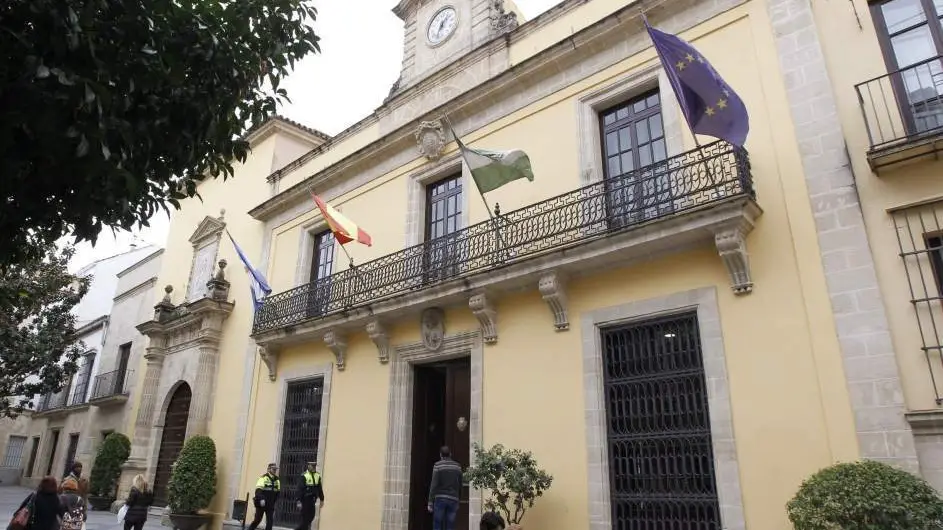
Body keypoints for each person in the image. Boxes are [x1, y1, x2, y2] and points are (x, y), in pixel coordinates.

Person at [427, 446, 463, 530]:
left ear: (440, 455)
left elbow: (434, 484)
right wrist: (459, 499)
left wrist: (430, 502)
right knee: (450, 525)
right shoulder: (457, 466)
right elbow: (460, 484)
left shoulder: (438, 465)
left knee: (437, 523)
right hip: (453, 498)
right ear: (450, 454)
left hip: (440, 498)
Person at [248, 463, 280, 530]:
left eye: (275, 469)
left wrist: (275, 501)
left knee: (270, 521)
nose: (274, 470)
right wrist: (262, 499)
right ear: (268, 469)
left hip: (270, 504)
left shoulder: (277, 480)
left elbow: (278, 492)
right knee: (257, 520)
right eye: (273, 469)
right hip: (262, 503)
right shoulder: (263, 478)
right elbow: (258, 490)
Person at [294, 461, 324, 530]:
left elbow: (319, 488)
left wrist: (322, 499)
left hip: (312, 500)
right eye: (311, 465)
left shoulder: (317, 475)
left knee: (311, 517)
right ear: (308, 466)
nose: (313, 467)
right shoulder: (304, 475)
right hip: (305, 500)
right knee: (305, 519)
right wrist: (298, 501)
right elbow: (300, 489)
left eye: (314, 466)